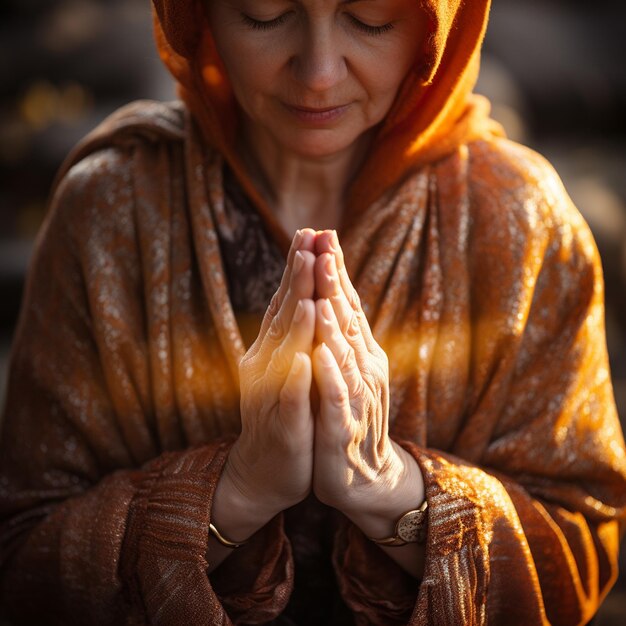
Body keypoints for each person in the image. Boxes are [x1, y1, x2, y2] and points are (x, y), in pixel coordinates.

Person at [0, 0, 625, 623]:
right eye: (264, 15)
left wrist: (387, 488)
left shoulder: (520, 223)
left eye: (372, 19)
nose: (319, 72)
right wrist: (236, 491)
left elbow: (583, 539)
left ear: (441, 26)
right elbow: (24, 553)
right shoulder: (110, 214)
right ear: (198, 15)